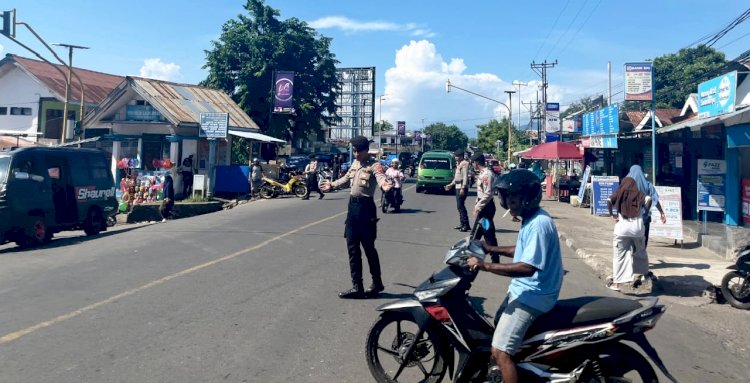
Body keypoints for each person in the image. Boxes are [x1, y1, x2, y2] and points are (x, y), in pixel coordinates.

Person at [467, 170, 563, 383]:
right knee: (498, 320)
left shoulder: (538, 224)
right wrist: (491, 247)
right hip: (527, 291)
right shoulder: (532, 218)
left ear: (526, 198)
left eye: (512, 197)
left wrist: (484, 265)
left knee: (500, 352)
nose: (507, 201)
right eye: (506, 196)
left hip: (534, 296)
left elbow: (527, 267)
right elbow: (522, 249)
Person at [321, 136, 391, 299]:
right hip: (352, 209)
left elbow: (380, 177)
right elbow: (346, 179)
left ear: (366, 150)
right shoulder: (355, 163)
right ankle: (357, 286)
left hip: (366, 209)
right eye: (354, 151)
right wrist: (332, 185)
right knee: (352, 249)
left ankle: (377, 283)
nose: (356, 154)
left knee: (368, 248)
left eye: (359, 151)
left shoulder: (375, 165)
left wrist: (384, 185)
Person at [606, 177, 652, 291]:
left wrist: (612, 214)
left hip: (622, 229)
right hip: (638, 228)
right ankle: (641, 275)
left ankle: (617, 284)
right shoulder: (638, 193)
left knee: (619, 255)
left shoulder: (619, 192)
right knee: (640, 252)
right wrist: (646, 210)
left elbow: (608, 200)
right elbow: (649, 199)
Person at [626, 165, 666, 248]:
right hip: (644, 219)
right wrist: (661, 212)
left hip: (629, 218)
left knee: (630, 242)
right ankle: (639, 257)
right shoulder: (648, 185)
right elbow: (655, 200)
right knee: (642, 242)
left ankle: (631, 257)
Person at [471, 153, 499, 262]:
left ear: (476, 162)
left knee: (488, 235)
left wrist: (478, 207)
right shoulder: (483, 173)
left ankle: (495, 258)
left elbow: (488, 194)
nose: (472, 164)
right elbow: (480, 193)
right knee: (477, 233)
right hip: (484, 206)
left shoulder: (487, 174)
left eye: (473, 162)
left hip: (486, 208)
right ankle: (471, 255)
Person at [444, 150, 471, 232]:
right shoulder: (458, 164)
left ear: (461, 156)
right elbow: (457, 177)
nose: (455, 157)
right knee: (459, 206)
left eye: (457, 156)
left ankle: (466, 225)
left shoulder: (464, 164)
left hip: (462, 186)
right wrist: (450, 184)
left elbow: (465, 177)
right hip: (457, 185)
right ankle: (462, 223)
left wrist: (463, 188)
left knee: (461, 206)